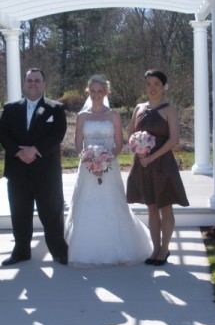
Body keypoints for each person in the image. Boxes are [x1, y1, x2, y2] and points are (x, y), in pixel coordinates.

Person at [65, 75, 152, 267]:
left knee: (112, 203)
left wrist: (105, 162)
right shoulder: (82, 116)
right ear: (88, 92)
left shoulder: (113, 115)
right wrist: (90, 161)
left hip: (110, 167)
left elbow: (119, 144)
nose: (96, 94)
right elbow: (78, 143)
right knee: (86, 203)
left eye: (100, 91)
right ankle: (84, 250)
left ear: (105, 92)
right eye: (93, 91)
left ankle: (118, 249)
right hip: (86, 168)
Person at [0, 68, 69, 265]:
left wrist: (35, 150)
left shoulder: (56, 109)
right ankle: (21, 251)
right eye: (30, 80)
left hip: (46, 172)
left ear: (44, 84)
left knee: (51, 213)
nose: (33, 84)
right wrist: (19, 152)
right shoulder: (10, 108)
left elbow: (58, 135)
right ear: (24, 83)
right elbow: (3, 133)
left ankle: (59, 251)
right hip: (18, 170)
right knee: (19, 213)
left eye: (37, 80)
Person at [126, 69, 189, 266]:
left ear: (164, 87)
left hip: (162, 165)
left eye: (156, 84)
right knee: (151, 208)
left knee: (165, 207)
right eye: (148, 84)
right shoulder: (139, 108)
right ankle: (155, 248)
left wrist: (152, 156)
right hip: (143, 164)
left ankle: (164, 249)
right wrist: (138, 148)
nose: (152, 88)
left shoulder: (169, 109)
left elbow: (174, 139)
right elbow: (130, 133)